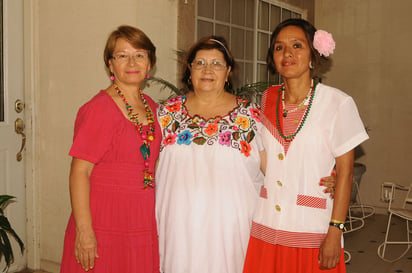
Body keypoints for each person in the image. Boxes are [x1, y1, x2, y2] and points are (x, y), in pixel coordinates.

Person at [155, 36, 336, 273]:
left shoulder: (249, 115)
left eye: (217, 64)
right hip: (178, 228)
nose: (208, 69)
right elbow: (147, 167)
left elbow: (278, 169)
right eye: (200, 63)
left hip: (232, 231)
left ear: (228, 71)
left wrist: (323, 180)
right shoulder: (166, 113)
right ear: (189, 70)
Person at [242, 18, 369, 273]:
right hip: (266, 225)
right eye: (279, 48)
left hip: (313, 229)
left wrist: (335, 230)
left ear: (313, 54)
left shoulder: (337, 103)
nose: (287, 53)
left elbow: (345, 173)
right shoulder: (266, 99)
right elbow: (260, 157)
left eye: (297, 45)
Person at [60, 25, 161, 273]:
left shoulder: (152, 107)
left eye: (139, 54)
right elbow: (79, 172)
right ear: (110, 64)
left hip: (141, 217)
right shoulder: (99, 109)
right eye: (122, 55)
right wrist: (85, 233)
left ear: (149, 63)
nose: (132, 62)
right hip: (104, 219)